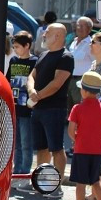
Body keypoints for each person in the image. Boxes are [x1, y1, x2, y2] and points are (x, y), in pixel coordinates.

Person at [27, 22, 74, 185]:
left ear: (58, 36)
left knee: (56, 148)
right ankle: (41, 182)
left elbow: (56, 83)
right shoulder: (43, 54)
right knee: (41, 147)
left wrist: (37, 95)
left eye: (47, 32)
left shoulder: (65, 57)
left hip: (54, 108)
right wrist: (32, 91)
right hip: (38, 108)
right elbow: (31, 76)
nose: (44, 35)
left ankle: (56, 183)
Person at [67, 71, 101, 200]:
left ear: (84, 91)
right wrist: (100, 140)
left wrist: (77, 139)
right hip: (97, 151)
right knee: (95, 181)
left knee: (81, 183)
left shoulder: (77, 108)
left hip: (81, 150)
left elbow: (70, 130)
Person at [7, 31, 37, 189]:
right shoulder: (13, 60)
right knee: (16, 144)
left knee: (26, 143)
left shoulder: (34, 62)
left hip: (27, 108)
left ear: (27, 46)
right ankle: (16, 172)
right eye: (13, 46)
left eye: (17, 47)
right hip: (14, 106)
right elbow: (7, 80)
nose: (15, 50)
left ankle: (25, 174)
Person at [67, 16, 94, 106]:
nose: (79, 28)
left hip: (82, 82)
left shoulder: (90, 45)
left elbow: (96, 64)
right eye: (78, 25)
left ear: (89, 29)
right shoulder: (73, 43)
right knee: (69, 110)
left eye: (83, 26)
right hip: (69, 80)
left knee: (80, 108)